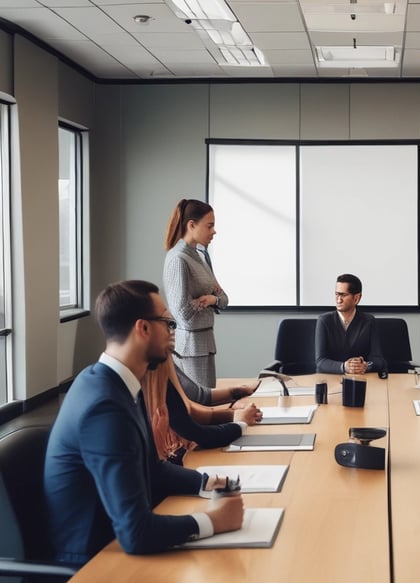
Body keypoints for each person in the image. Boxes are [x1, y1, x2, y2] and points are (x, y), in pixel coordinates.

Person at [44, 280, 244, 567]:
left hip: (115, 548)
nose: (172, 332)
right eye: (168, 323)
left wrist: (207, 482)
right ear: (143, 328)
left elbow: (153, 469)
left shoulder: (117, 384)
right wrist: (213, 521)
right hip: (94, 563)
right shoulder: (104, 406)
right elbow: (136, 533)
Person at [142, 358, 263, 461]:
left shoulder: (161, 360)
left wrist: (234, 404)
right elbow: (194, 428)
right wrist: (238, 422)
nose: (171, 337)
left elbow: (188, 406)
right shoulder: (154, 363)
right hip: (169, 454)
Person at [163, 199, 228, 389]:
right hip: (189, 346)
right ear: (191, 225)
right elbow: (181, 313)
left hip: (206, 342)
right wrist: (207, 301)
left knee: (209, 399)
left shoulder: (200, 256)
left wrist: (211, 299)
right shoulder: (178, 259)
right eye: (209, 226)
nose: (214, 231)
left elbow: (223, 299)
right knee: (200, 401)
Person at [315, 273, 386, 374]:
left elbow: (378, 359)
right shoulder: (324, 320)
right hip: (331, 378)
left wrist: (365, 366)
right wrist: (344, 367)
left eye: (343, 295)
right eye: (336, 294)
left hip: (361, 378)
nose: (338, 300)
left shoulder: (369, 321)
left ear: (356, 298)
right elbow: (320, 361)